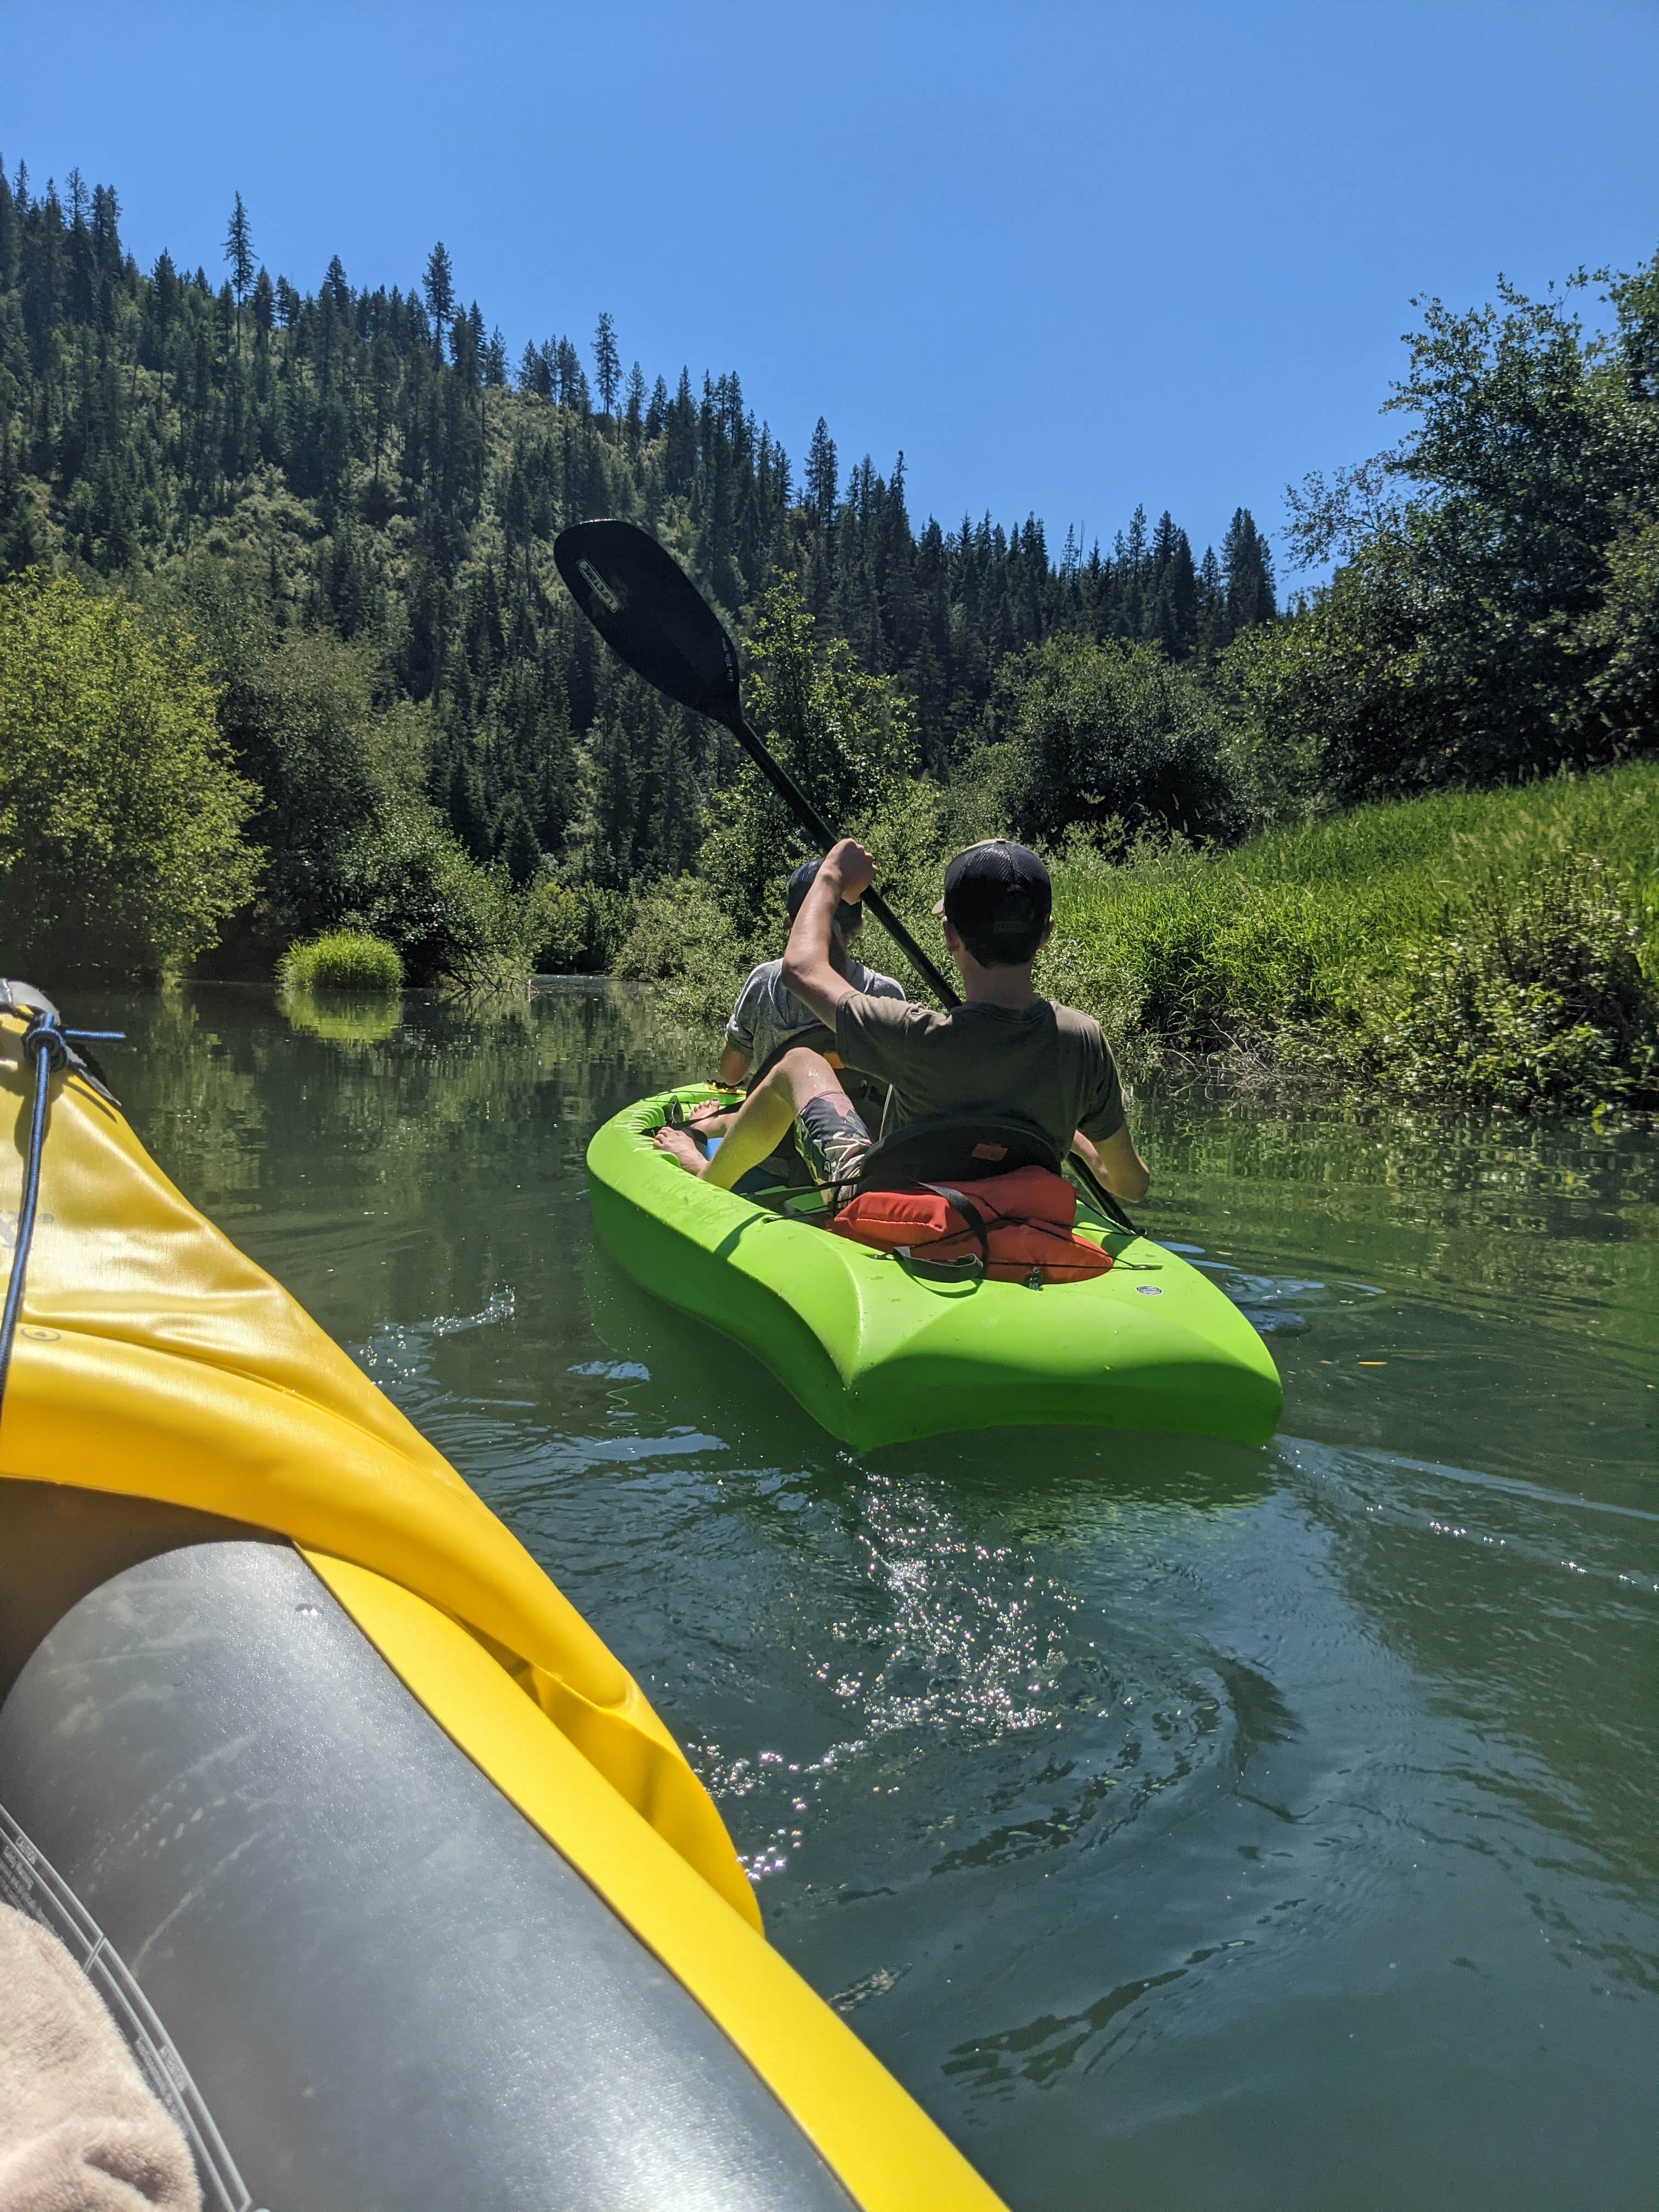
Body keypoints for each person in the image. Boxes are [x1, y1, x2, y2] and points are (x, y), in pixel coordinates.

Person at [654, 836, 1150, 1206]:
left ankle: (706, 1175)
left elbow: (801, 969)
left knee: (798, 1064)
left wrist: (831, 874)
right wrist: (1079, 1146)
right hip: (1014, 1210)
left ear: (950, 937)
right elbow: (1131, 1185)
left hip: (887, 1207)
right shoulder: (1083, 1040)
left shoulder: (914, 1033)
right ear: (1045, 937)